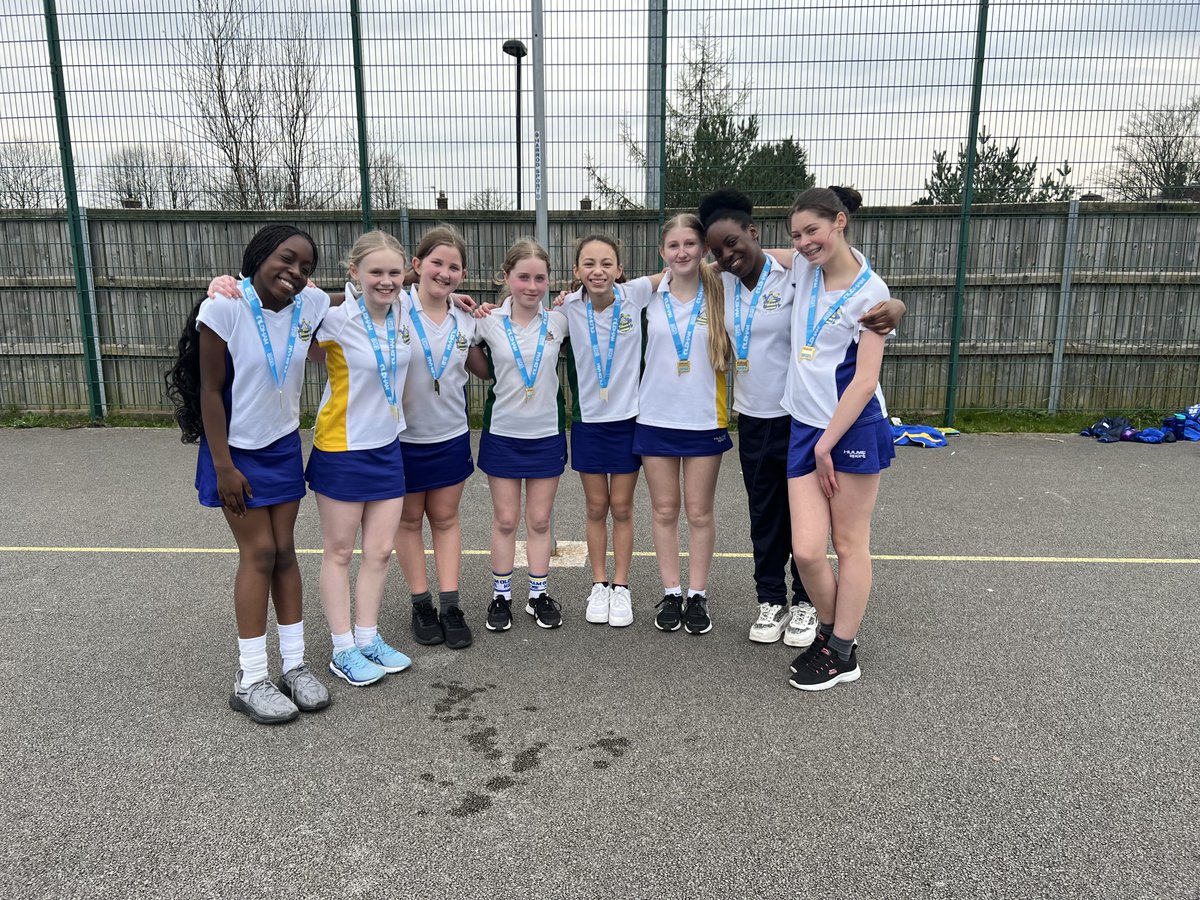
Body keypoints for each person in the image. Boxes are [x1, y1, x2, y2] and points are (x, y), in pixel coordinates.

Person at [698, 189, 903, 649]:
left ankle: (809, 607)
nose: (728, 255)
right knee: (764, 514)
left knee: (810, 527)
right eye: (718, 250)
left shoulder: (795, 273)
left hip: (802, 416)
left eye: (736, 242)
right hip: (753, 414)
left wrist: (898, 306)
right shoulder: (725, 280)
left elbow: (853, 288)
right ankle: (771, 599)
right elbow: (680, 268)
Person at [166, 224, 332, 725]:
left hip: (282, 446)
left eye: (306, 267)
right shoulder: (224, 307)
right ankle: (251, 677)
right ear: (259, 255)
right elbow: (210, 392)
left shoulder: (312, 304)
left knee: (285, 553)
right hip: (234, 453)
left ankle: (296, 666)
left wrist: (432, 290)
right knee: (258, 553)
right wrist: (223, 466)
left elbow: (368, 289)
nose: (295, 272)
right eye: (286, 259)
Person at [782, 186, 895, 691]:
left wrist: (827, 444)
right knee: (806, 550)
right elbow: (748, 252)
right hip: (804, 426)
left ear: (840, 222)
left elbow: (865, 379)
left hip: (849, 428)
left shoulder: (872, 293)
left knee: (849, 545)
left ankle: (841, 651)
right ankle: (832, 636)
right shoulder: (805, 268)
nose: (805, 243)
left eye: (813, 230)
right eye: (797, 235)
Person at [305, 230, 414, 687]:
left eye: (394, 272)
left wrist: (472, 303)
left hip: (387, 447)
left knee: (380, 552)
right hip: (341, 448)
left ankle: (368, 638)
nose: (386, 281)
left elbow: (439, 296)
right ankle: (342, 648)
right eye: (376, 272)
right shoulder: (334, 319)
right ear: (354, 274)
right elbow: (274, 308)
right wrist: (224, 286)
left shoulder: (405, 312)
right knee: (339, 553)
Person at [633, 216, 732, 636]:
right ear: (662, 252)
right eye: (673, 245)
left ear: (703, 248)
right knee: (664, 509)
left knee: (698, 511)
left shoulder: (721, 291)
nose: (682, 252)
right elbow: (591, 294)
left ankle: (697, 595)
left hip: (704, 418)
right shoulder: (647, 295)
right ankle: (671, 591)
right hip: (655, 416)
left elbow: (779, 266)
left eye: (690, 243)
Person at [468, 239, 570, 631]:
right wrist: (473, 309)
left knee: (540, 520)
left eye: (540, 278)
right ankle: (501, 595)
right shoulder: (487, 321)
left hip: (546, 434)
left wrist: (568, 297)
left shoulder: (559, 321)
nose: (531, 285)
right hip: (503, 433)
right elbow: (472, 358)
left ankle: (538, 594)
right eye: (523, 277)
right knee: (507, 520)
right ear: (507, 277)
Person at [558, 234, 654, 628]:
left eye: (606, 263)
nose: (598, 271)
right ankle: (599, 584)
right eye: (589, 263)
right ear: (577, 271)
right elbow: (523, 318)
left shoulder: (637, 296)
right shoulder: (566, 310)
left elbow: (681, 268)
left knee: (623, 508)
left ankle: (621, 587)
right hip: (588, 423)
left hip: (629, 420)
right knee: (597, 508)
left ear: (619, 269)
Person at [393, 225, 476, 650]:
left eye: (454, 266)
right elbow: (344, 299)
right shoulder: (395, 307)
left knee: (445, 520)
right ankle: (420, 603)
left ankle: (450, 604)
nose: (444, 273)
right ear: (417, 265)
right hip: (403, 438)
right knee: (408, 521)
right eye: (437, 263)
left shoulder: (467, 317)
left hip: (450, 436)